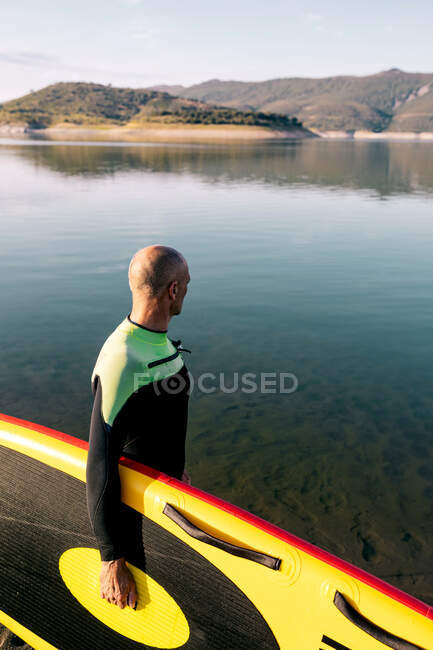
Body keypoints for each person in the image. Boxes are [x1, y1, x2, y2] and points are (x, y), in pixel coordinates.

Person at [86, 245, 191, 610]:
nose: (188, 289)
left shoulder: (156, 342)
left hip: (165, 502)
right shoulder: (123, 359)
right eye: (187, 283)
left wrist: (180, 472)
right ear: (172, 290)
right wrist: (111, 557)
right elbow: (98, 462)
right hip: (133, 515)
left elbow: (162, 422)